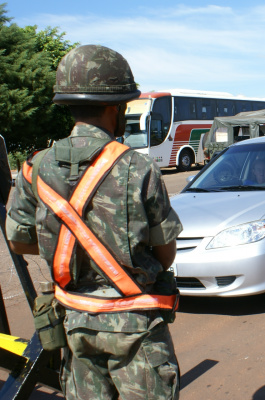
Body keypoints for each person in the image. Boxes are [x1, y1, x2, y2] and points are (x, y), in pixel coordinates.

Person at [6, 45, 182, 399]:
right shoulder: (139, 167)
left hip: (74, 324)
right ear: (115, 108)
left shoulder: (35, 166)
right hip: (136, 331)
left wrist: (62, 245)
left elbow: (17, 240)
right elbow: (166, 254)